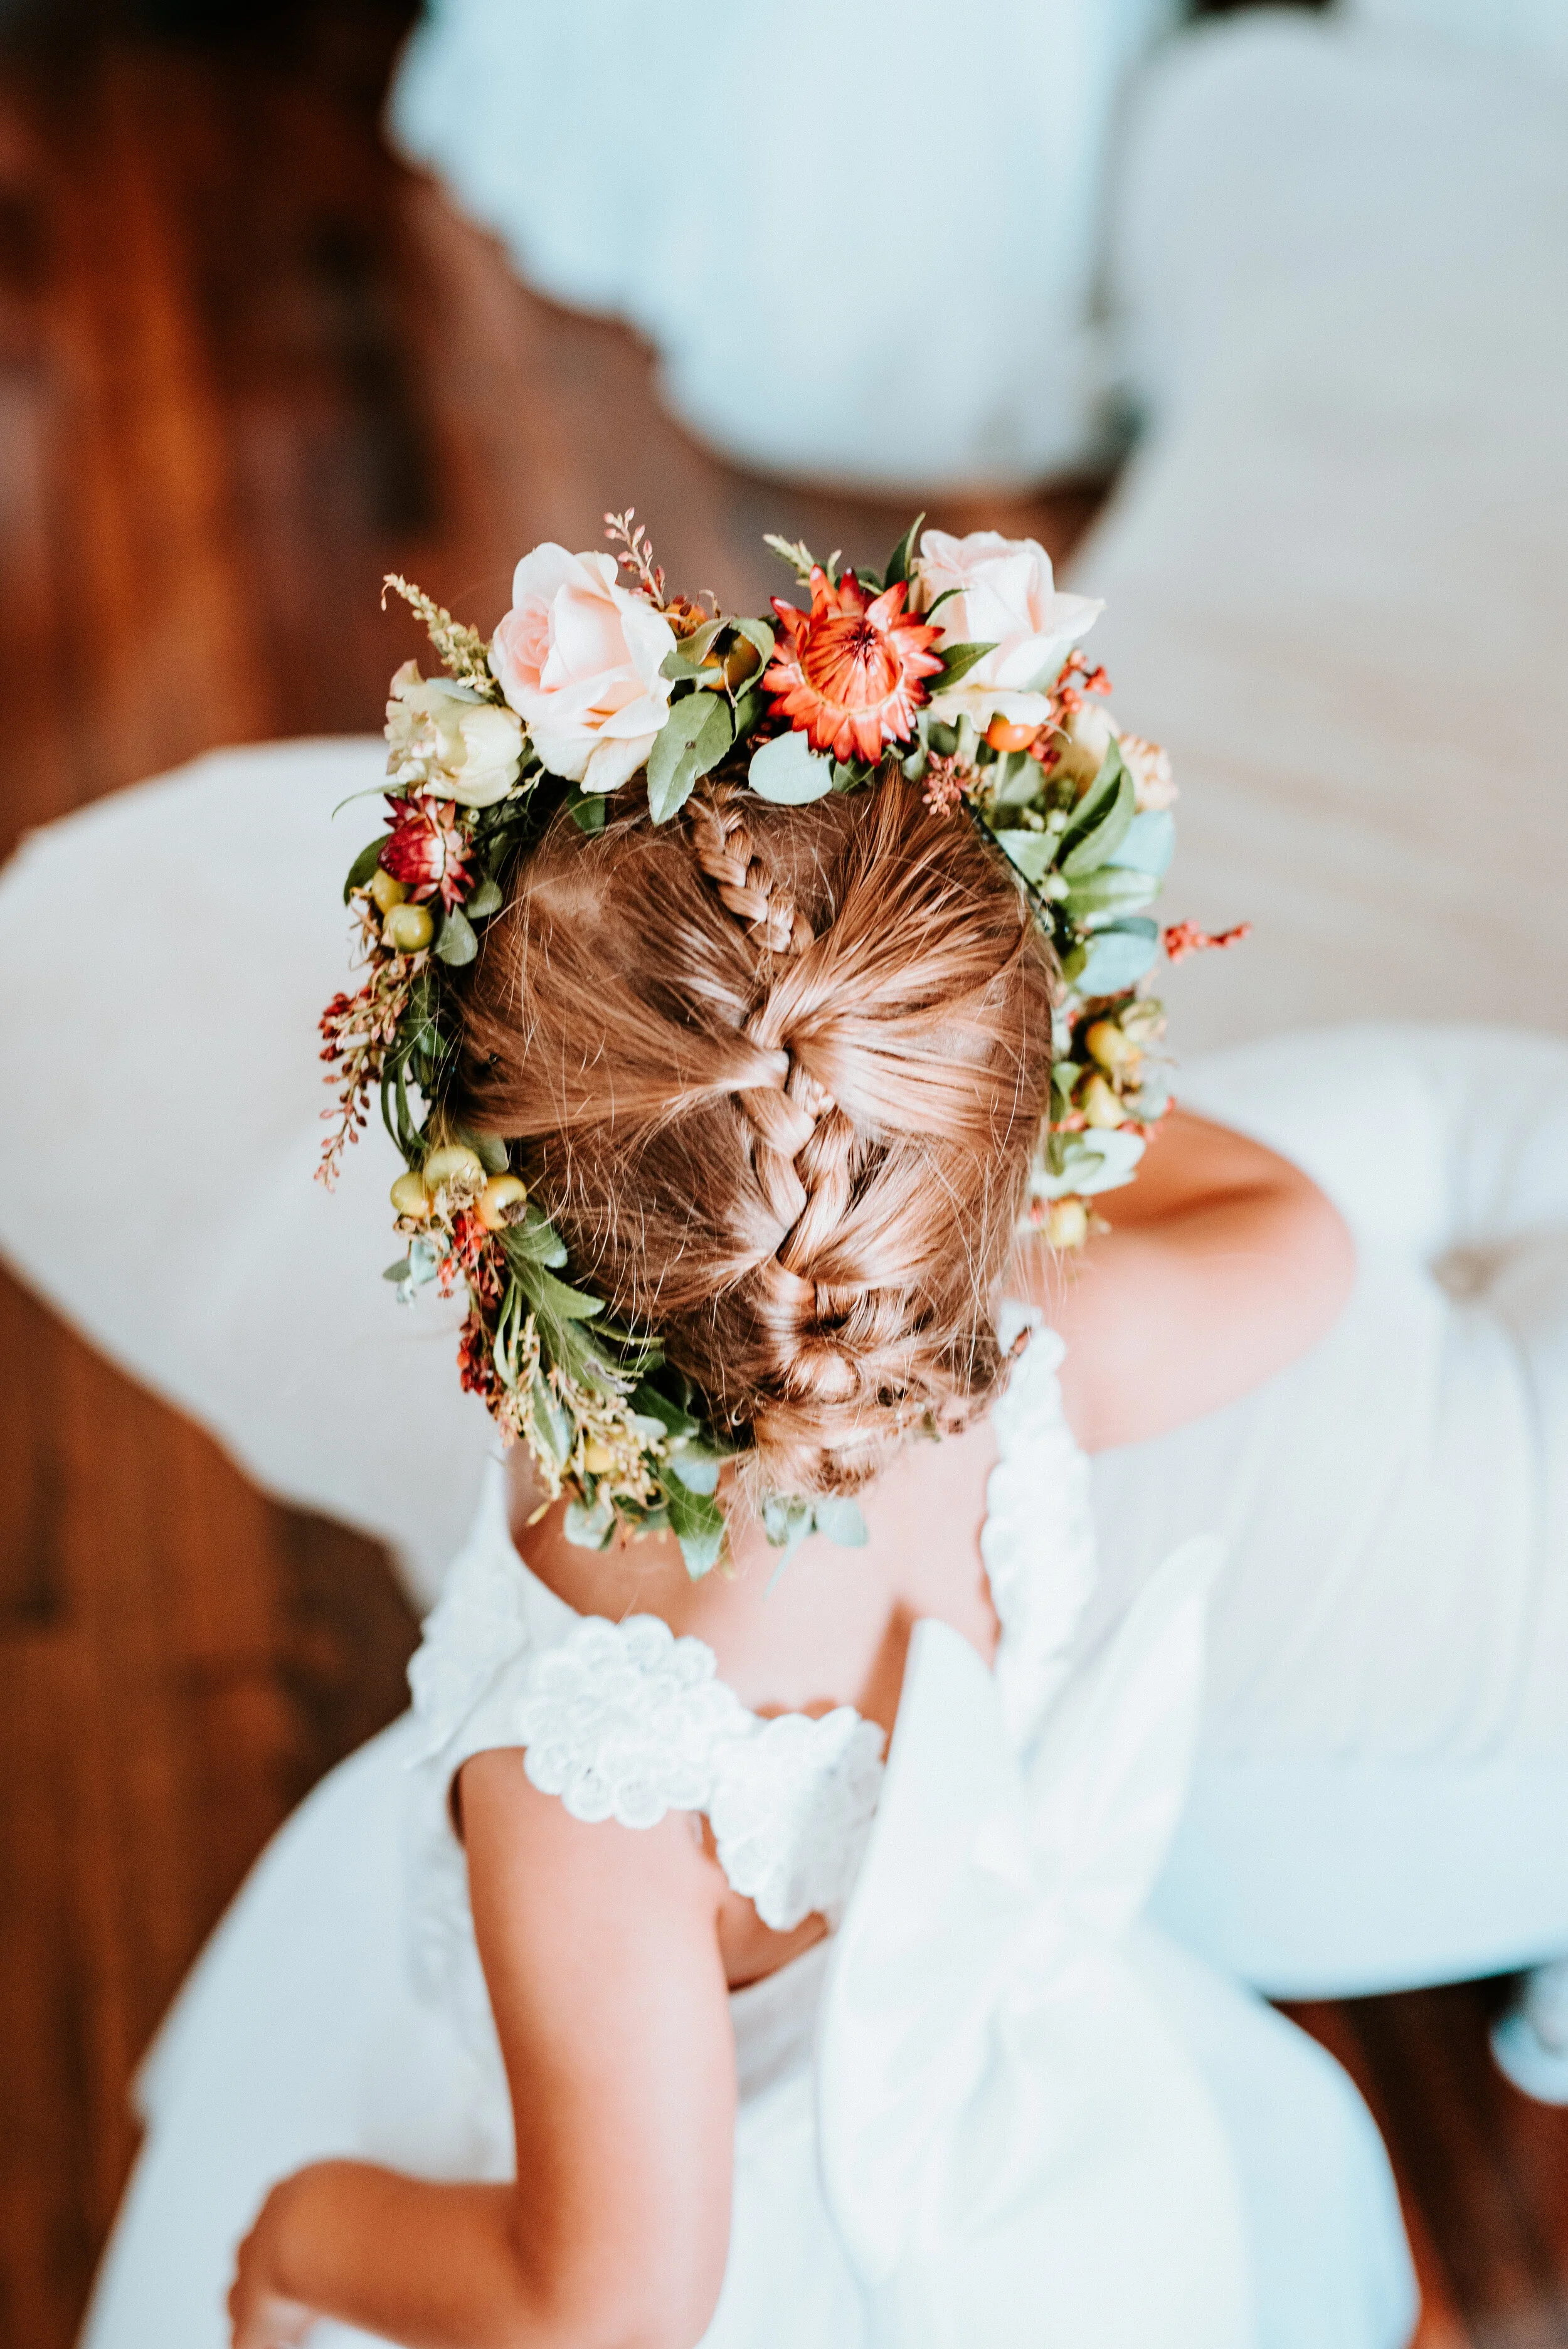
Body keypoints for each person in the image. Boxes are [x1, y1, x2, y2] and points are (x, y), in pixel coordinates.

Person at [72, 779, 1414, 2348]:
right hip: (1025, 2099)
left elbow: (607, 2310)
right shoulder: (1051, 1356)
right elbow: (1292, 1228)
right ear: (1000, 1148)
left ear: (497, 1220)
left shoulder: (589, 1780)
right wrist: (954, 1105)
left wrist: (299, 2235)